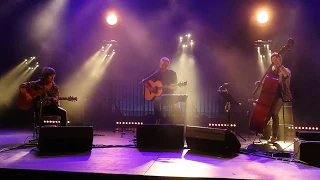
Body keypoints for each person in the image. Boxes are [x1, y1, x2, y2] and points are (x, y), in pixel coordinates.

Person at [253, 52, 292, 143]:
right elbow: (270, 84)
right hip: (271, 96)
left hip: (280, 95)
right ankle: (260, 132)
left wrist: (279, 65)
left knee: (274, 114)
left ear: (280, 59)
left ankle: (273, 136)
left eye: (276, 59)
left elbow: (286, 75)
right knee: (266, 113)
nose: (275, 61)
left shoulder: (285, 69)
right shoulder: (272, 71)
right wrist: (261, 83)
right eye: (273, 60)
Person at [141, 57, 181, 124]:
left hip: (169, 95)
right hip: (159, 95)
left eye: (166, 65)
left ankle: (176, 122)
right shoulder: (156, 73)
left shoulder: (173, 74)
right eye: (163, 64)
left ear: (168, 65)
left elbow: (175, 87)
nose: (164, 66)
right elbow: (144, 81)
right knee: (156, 101)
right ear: (160, 64)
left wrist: (173, 87)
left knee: (177, 105)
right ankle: (158, 119)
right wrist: (151, 88)